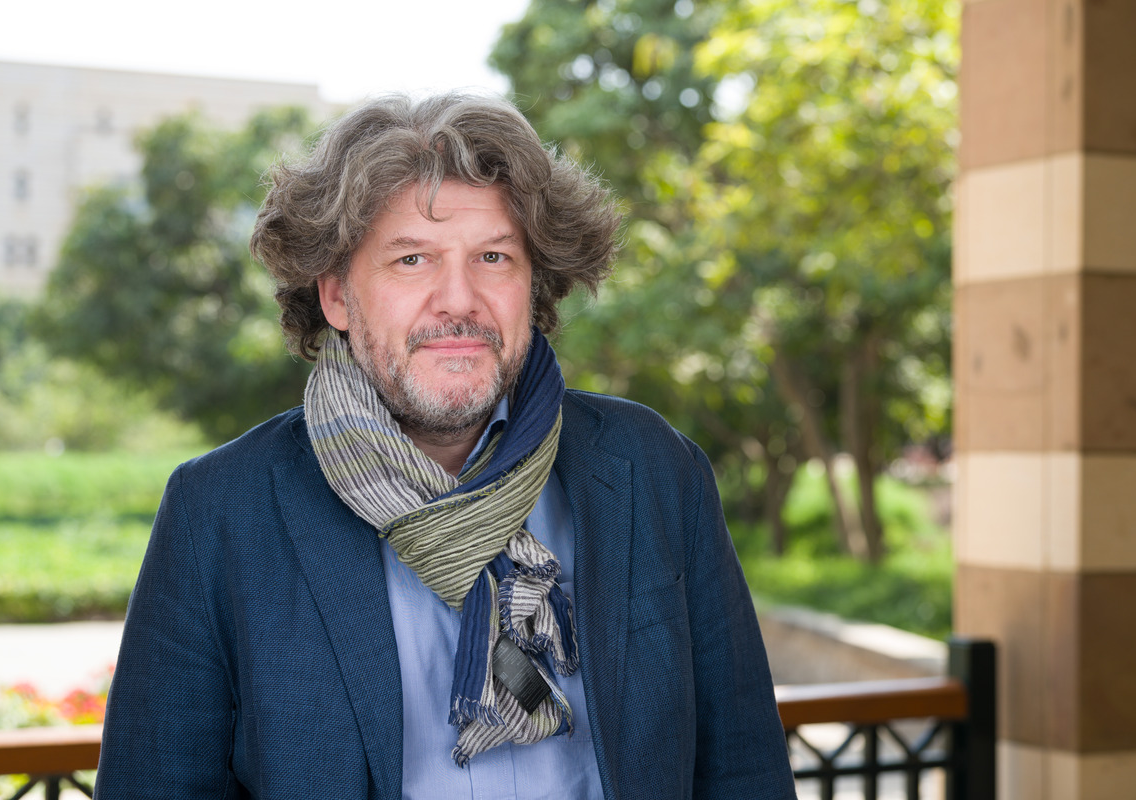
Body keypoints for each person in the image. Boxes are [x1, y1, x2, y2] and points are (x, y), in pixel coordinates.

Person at [95, 93, 796, 800]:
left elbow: (744, 769)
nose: (457, 300)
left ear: (534, 285)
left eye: (493, 256)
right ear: (337, 295)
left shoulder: (654, 468)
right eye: (412, 260)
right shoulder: (217, 511)